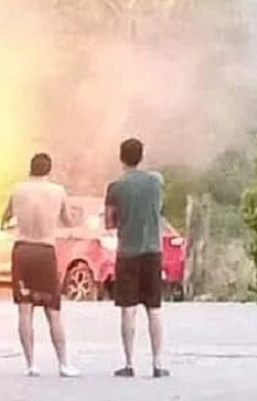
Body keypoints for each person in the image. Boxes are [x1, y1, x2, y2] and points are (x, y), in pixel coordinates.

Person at [2, 153, 81, 378]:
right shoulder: (57, 191)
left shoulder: (18, 190)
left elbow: (5, 219)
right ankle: (63, 364)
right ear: (49, 169)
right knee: (53, 310)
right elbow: (67, 221)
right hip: (45, 250)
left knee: (24, 309)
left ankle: (30, 364)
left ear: (31, 168)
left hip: (22, 249)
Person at [104, 138, 170, 378]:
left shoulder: (116, 187)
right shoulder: (156, 182)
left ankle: (129, 362)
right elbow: (160, 210)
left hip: (128, 253)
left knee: (128, 309)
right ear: (142, 156)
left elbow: (109, 222)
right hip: (153, 251)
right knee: (154, 308)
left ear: (121, 158)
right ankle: (158, 363)